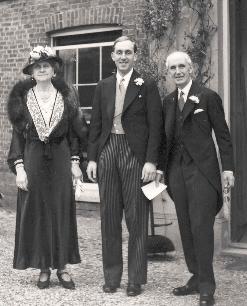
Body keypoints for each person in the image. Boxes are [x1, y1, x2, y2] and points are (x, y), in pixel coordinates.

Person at [156, 51, 234, 306]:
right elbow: (164, 140)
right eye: (173, 68)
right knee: (186, 228)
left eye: (182, 67)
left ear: (191, 69)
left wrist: (228, 169)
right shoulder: (167, 101)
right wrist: (160, 169)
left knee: (201, 228)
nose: (177, 72)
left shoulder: (208, 97)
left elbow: (223, 135)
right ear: (169, 72)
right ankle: (196, 276)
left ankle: (207, 287)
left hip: (201, 171)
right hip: (176, 172)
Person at [86, 36, 163, 296]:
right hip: (108, 150)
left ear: (135, 56)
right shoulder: (103, 85)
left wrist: (151, 160)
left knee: (136, 217)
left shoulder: (147, 85)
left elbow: (156, 127)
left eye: (128, 52)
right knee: (109, 217)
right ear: (112, 56)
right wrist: (93, 158)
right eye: (119, 52)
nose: (123, 57)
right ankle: (112, 277)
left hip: (134, 155)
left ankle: (135, 279)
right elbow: (95, 124)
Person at [7, 46, 88, 289]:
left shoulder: (67, 96)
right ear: (32, 71)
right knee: (37, 210)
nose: (42, 69)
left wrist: (76, 162)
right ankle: (43, 266)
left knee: (61, 209)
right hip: (33, 156)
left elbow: (76, 132)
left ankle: (62, 266)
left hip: (61, 156)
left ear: (54, 69)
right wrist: (19, 168)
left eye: (46, 65)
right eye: (37, 66)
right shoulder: (22, 98)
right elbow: (18, 137)